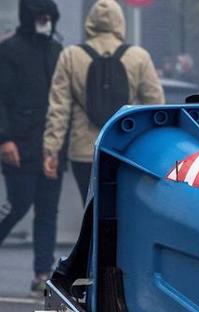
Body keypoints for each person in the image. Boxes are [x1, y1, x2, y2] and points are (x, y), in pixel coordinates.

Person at [42, 0, 163, 203]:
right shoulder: (139, 57)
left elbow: (58, 110)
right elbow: (156, 108)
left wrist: (51, 150)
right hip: (125, 151)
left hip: (84, 152)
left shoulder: (71, 56)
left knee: (91, 210)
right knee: (122, 211)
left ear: (90, 22)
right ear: (120, 22)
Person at [0, 0, 63, 295]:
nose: (46, 20)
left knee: (47, 212)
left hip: (51, 146)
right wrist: (4, 139)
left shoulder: (57, 51)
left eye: (49, 16)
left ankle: (42, 273)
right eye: (41, 15)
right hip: (20, 144)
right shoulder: (9, 50)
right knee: (16, 205)